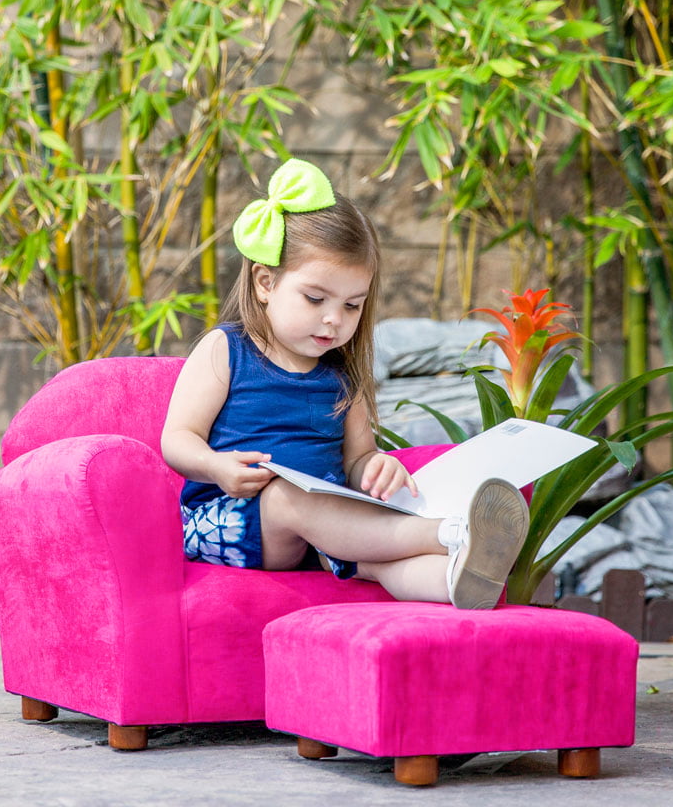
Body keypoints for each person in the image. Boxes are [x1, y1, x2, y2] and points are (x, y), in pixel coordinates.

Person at [161, 158, 528, 608]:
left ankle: (459, 577)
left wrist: (376, 466)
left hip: (321, 532)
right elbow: (177, 439)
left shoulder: (342, 373)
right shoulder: (227, 349)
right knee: (286, 498)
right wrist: (217, 467)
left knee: (374, 561)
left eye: (352, 305)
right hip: (228, 522)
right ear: (265, 282)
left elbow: (357, 459)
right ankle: (449, 531)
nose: (334, 319)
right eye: (315, 299)